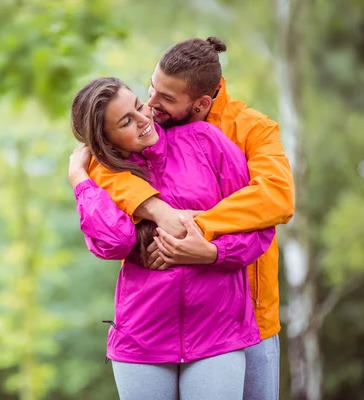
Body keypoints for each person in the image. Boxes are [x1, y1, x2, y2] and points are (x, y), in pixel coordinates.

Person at [85, 37, 295, 400]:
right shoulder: (153, 127)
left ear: (200, 103)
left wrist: (197, 235)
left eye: (165, 98)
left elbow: (275, 198)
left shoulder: (253, 130)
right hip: (156, 325)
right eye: (151, 90)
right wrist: (155, 209)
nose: (151, 105)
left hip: (252, 316)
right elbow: (101, 164)